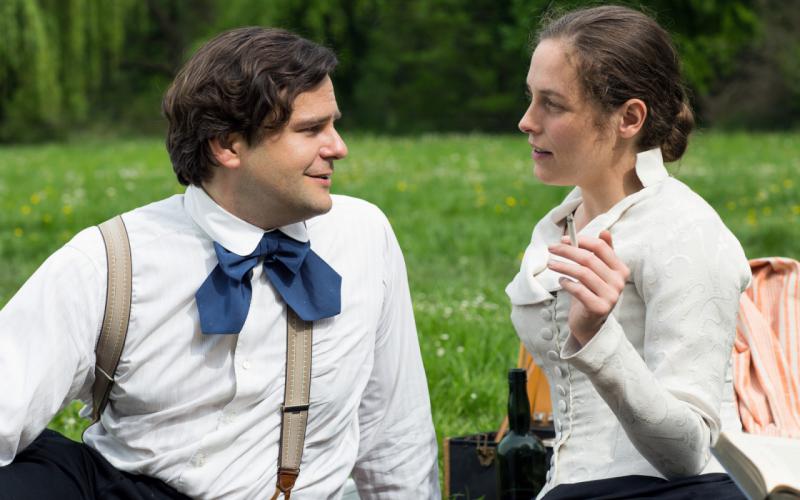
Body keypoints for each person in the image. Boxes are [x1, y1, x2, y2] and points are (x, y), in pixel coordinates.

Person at [0, 27, 439, 499]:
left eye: (333, 125)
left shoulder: (363, 236)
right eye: (311, 130)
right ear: (228, 146)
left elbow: (394, 429)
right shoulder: (108, 262)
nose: (338, 147)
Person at [505, 5, 751, 499]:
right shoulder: (562, 223)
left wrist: (598, 338)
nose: (526, 121)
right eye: (531, 97)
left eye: (553, 104)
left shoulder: (686, 231)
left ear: (629, 118)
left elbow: (689, 453)